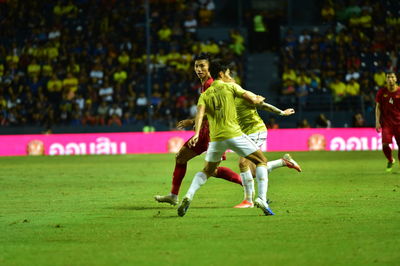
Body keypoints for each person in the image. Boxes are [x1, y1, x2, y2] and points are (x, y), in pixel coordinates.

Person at [177, 59, 274, 217]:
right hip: (234, 134)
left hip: (215, 139)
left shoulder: (205, 94)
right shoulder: (231, 86)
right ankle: (261, 198)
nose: (230, 75)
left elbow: (200, 115)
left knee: (207, 170)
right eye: (228, 73)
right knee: (261, 161)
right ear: (221, 73)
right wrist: (259, 99)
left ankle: (188, 195)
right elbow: (252, 99)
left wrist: (196, 134)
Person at [154, 54, 242, 206]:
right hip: (204, 132)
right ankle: (173, 195)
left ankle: (248, 184)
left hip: (213, 133)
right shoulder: (204, 84)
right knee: (181, 158)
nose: (199, 69)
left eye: (202, 66)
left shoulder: (212, 84)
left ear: (210, 68)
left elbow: (216, 110)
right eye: (196, 66)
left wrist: (191, 121)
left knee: (211, 170)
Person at [232, 87, 302, 208]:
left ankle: (248, 201)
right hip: (245, 134)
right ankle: (283, 162)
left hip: (256, 131)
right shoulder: (226, 101)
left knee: (243, 163)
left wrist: (282, 112)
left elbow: (263, 105)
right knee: (252, 172)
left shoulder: (243, 96)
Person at [375, 72, 400, 172]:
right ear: (386, 80)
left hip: (399, 123)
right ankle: (390, 160)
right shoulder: (382, 92)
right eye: (388, 77)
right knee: (385, 144)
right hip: (387, 124)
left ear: (396, 79)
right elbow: (378, 107)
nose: (390, 79)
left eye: (392, 77)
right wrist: (377, 121)